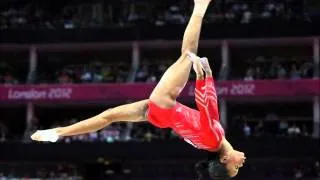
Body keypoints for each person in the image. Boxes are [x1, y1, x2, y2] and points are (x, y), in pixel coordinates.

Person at [31, 0, 246, 178]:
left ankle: (200, 5)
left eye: (235, 167)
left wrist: (202, 77)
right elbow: (210, 113)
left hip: (165, 104)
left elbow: (207, 110)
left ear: (225, 159)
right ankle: (58, 133)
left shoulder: (214, 140)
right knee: (108, 117)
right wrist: (205, 77)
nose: (241, 164)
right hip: (160, 117)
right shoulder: (209, 144)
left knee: (187, 52)